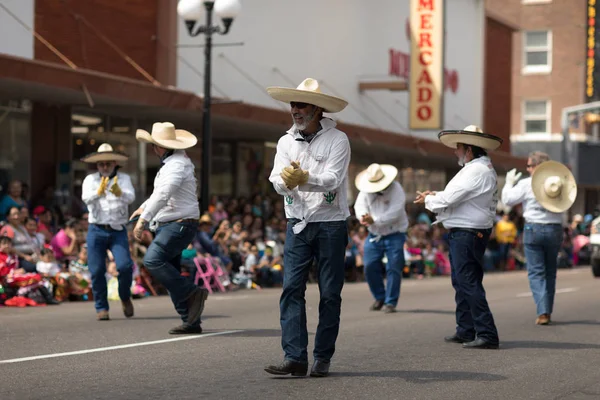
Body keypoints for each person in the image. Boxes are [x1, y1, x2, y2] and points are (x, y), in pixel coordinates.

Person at [263, 78, 350, 378]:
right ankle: (295, 357)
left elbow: (333, 179)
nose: (295, 110)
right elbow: (275, 178)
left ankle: (322, 356)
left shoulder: (338, 139)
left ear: (317, 109)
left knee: (329, 294)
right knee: (291, 289)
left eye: (301, 105)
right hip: (298, 222)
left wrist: (303, 179)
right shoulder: (285, 141)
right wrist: (285, 180)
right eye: (293, 104)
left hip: (331, 224)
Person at [414, 125, 501, 350]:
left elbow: (449, 200)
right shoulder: (479, 168)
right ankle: (466, 329)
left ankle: (486, 333)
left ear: (469, 149)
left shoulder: (475, 171)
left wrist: (430, 200)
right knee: (463, 281)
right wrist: (435, 196)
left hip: (467, 232)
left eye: (459, 147)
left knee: (468, 282)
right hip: (469, 231)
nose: (455, 151)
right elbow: (457, 196)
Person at [131, 122, 209, 335]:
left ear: (160, 146)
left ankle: (193, 293)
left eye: (154, 145)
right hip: (174, 223)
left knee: (153, 260)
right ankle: (190, 320)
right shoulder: (175, 163)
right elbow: (162, 194)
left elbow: (164, 194)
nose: (153, 149)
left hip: (178, 224)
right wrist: (143, 208)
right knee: (170, 270)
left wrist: (143, 219)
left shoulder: (175, 165)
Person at [501, 152, 576, 325]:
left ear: (536, 167)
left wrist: (509, 183)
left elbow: (507, 199)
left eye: (529, 166)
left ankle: (543, 311)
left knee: (536, 272)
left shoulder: (527, 184)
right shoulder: (559, 183)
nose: (527, 169)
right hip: (554, 228)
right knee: (550, 271)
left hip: (533, 228)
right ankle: (547, 311)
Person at [81, 143, 136, 321]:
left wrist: (119, 192)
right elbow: (85, 199)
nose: (104, 167)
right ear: (97, 166)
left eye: (108, 164)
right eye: (101, 164)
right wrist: (99, 192)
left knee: (125, 266)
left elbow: (131, 197)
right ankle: (101, 307)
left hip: (117, 230)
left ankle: (125, 296)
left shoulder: (124, 178)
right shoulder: (90, 180)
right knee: (96, 270)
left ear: (114, 164)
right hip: (96, 229)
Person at [353, 163, 408, 313]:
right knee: (369, 265)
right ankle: (380, 297)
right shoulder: (365, 189)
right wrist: (363, 217)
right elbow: (359, 206)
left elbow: (395, 212)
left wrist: (375, 220)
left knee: (394, 268)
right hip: (374, 235)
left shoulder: (397, 189)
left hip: (394, 234)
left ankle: (390, 302)